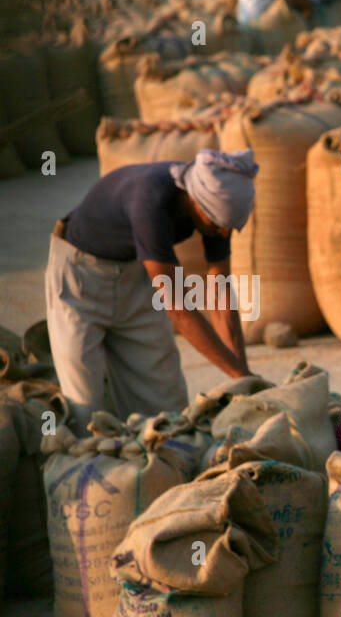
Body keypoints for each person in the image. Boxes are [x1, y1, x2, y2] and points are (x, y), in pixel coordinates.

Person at [45, 149, 258, 433]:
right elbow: (180, 311)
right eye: (218, 225)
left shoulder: (218, 216)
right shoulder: (149, 201)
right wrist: (238, 373)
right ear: (197, 202)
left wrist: (243, 380)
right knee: (84, 410)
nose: (223, 233)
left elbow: (220, 292)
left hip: (134, 278)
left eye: (229, 229)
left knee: (165, 411)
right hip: (80, 279)